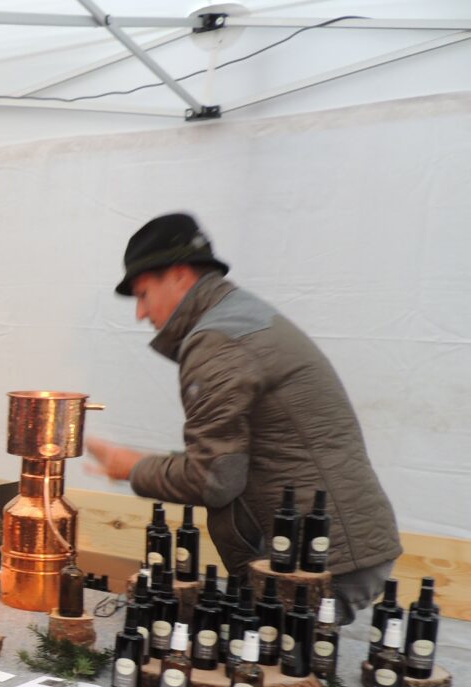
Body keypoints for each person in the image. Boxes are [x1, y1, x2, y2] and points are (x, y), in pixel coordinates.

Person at [88, 212, 401, 622]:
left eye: (144, 294)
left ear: (180, 276)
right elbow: (232, 457)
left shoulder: (217, 342)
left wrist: (132, 467)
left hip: (317, 555)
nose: (141, 314)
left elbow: (214, 479)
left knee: (278, 671)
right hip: (335, 543)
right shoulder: (237, 322)